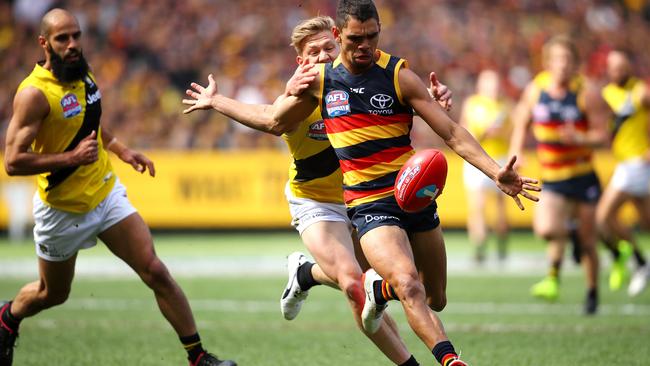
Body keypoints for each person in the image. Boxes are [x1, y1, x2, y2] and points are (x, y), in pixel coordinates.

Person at [271, 1, 540, 365]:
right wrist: (219, 100)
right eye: (354, 39)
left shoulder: (393, 75)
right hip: (343, 202)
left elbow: (449, 131)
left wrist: (493, 169)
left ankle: (324, 277)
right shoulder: (311, 86)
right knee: (383, 282)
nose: (363, 45)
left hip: (400, 195)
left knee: (435, 297)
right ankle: (443, 361)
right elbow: (270, 119)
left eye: (371, 36)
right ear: (335, 38)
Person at [183, 15, 452, 366]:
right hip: (316, 203)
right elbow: (269, 116)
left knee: (414, 286)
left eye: (329, 47)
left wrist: (432, 102)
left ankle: (305, 273)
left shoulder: (365, 82)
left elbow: (405, 108)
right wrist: (217, 101)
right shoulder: (302, 94)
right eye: (314, 51)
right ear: (302, 61)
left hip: (363, 199)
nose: (324, 55)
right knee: (356, 284)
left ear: (340, 44)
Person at [0, 9, 235, 366]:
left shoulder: (82, 71)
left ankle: (198, 357)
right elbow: (13, 161)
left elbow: (88, 120)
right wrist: (70, 159)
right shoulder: (33, 94)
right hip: (61, 210)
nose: (73, 44)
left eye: (76, 35)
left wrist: (122, 150)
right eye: (63, 38)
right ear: (44, 43)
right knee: (52, 294)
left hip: (105, 194)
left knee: (154, 270)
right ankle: (8, 318)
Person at [509, 35, 610, 314]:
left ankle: (592, 294)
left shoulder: (586, 93)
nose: (563, 66)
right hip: (552, 176)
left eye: (568, 60)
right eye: (557, 60)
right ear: (548, 62)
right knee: (547, 229)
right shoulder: (536, 88)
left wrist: (579, 138)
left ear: (575, 63)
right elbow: (521, 120)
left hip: (582, 176)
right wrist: (517, 152)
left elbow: (603, 135)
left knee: (589, 242)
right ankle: (571, 234)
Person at [598, 49, 650, 296]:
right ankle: (641, 262)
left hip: (638, 164)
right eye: (613, 67)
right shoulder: (606, 94)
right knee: (644, 221)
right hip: (624, 164)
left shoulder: (640, 91)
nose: (617, 71)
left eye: (622, 66)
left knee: (604, 216)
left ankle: (639, 262)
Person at [459, 70, 512, 263]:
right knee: (477, 205)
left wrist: (501, 134)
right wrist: (484, 133)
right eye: (489, 83)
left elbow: (512, 134)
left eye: (496, 83)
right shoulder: (472, 104)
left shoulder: (506, 106)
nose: (493, 88)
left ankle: (501, 243)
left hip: (500, 158)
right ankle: (479, 246)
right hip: (476, 158)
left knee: (500, 207)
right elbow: (464, 131)